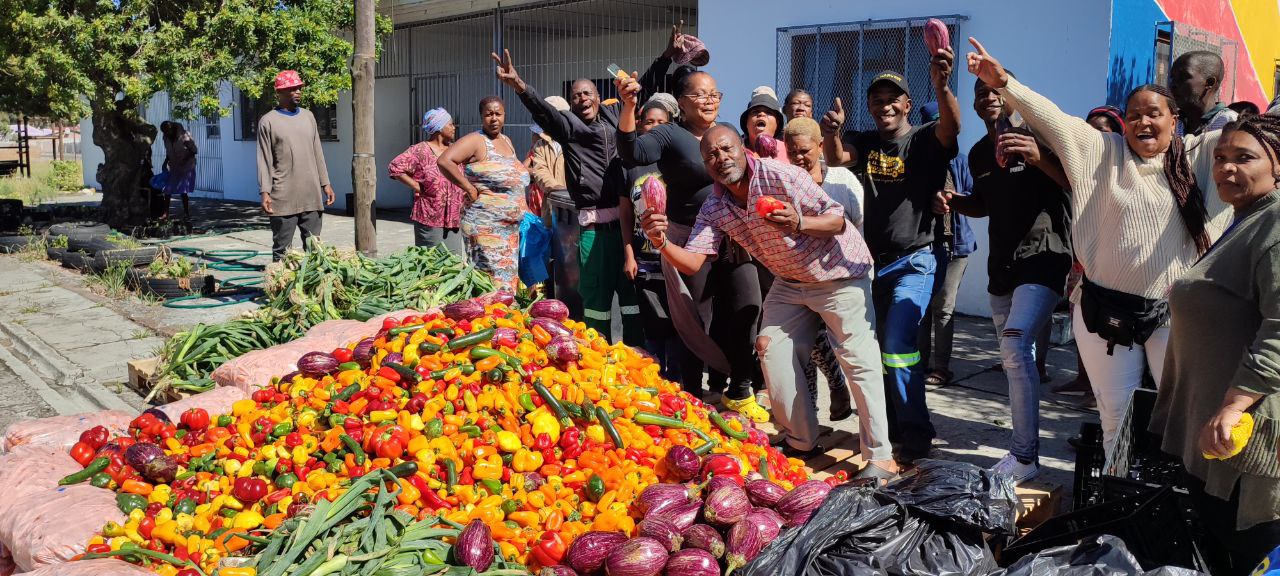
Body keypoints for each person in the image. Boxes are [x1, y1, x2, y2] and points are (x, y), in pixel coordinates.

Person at [966, 37, 1231, 457]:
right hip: (1104, 314)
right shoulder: (1103, 151)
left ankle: (1181, 508)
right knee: (1115, 417)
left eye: (1154, 114)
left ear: (1175, 119)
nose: (1143, 122)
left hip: (1172, 316)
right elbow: (1054, 119)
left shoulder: (1202, 156)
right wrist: (1003, 84)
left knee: (1183, 416)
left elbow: (1260, 144)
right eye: (1134, 116)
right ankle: (1118, 502)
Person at [640, 125, 898, 483]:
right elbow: (695, 262)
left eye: (727, 149)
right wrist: (661, 241)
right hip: (790, 282)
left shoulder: (782, 175)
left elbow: (838, 219)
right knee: (770, 346)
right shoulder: (715, 205)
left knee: (857, 359)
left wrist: (799, 221)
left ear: (743, 148)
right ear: (705, 164)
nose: (721, 158)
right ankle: (802, 440)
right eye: (711, 155)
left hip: (838, 274)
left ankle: (881, 457)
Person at [1150, 113, 1280, 574]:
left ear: (1277, 165)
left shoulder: (1276, 223)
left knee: (1249, 551)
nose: (1227, 168)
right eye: (1220, 157)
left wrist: (1233, 406)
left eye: (1244, 158)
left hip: (1244, 435)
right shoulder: (1244, 219)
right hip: (1214, 432)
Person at [821, 48, 961, 463]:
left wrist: (942, 86)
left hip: (916, 259)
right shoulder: (864, 141)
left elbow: (952, 128)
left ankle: (917, 432)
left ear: (905, 103)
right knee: (876, 349)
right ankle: (895, 424)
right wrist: (832, 130)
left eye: (892, 99)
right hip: (871, 263)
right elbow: (835, 159)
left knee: (899, 344)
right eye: (876, 101)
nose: (884, 106)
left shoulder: (923, 138)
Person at [933, 74, 1072, 484]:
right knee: (1015, 363)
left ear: (1012, 97)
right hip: (1002, 267)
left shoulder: (1042, 137)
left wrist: (1037, 156)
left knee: (1015, 344)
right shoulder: (980, 153)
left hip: (1045, 257)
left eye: (996, 91)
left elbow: (1076, 183)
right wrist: (954, 202)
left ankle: (1025, 457)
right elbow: (983, 205)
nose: (988, 98)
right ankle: (1021, 445)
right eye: (980, 94)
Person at [617, 69, 769, 420]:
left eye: (715, 94)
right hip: (689, 239)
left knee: (747, 304)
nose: (709, 100)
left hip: (734, 235)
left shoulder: (724, 132)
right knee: (698, 318)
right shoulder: (670, 134)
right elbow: (633, 153)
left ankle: (741, 388)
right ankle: (692, 395)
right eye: (701, 95)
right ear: (681, 103)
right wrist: (628, 106)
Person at [493, 50, 646, 346]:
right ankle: (597, 352)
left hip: (628, 230)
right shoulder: (568, 127)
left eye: (587, 93)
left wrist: (666, 57)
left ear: (598, 97)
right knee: (595, 299)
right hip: (593, 233)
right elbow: (542, 110)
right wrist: (519, 85)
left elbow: (642, 91)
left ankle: (636, 355)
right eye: (576, 96)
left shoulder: (616, 115)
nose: (582, 99)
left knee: (631, 299)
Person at [782, 116, 862, 421]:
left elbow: (858, 227)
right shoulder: (784, 180)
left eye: (805, 151)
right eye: (792, 153)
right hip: (801, 273)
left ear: (820, 146)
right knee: (803, 344)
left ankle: (842, 389)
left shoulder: (842, 181)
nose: (799, 158)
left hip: (843, 276)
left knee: (850, 353)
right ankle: (810, 416)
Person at [913, 102, 977, 387]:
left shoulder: (962, 161)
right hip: (925, 244)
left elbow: (975, 196)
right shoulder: (919, 161)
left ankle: (942, 367)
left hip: (957, 246)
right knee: (923, 307)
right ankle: (920, 363)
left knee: (943, 308)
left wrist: (953, 197)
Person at [437, 96, 529, 290]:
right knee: (492, 282)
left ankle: (502, 318)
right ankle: (489, 318)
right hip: (486, 227)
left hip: (509, 229)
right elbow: (445, 161)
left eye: (498, 113)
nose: (494, 118)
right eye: (488, 114)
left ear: (504, 115)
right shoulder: (476, 140)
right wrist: (468, 188)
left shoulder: (506, 140)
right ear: (481, 116)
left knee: (507, 281)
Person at [624, 93, 685, 381]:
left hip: (675, 255)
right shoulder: (631, 165)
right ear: (640, 125)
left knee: (677, 321)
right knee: (652, 323)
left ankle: (677, 381)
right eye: (649, 122)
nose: (655, 126)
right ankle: (654, 379)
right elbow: (625, 213)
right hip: (645, 259)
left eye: (662, 122)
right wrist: (629, 254)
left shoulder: (678, 161)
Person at [256, 69, 335, 261]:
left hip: (311, 194)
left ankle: (312, 289)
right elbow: (264, 160)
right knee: (282, 252)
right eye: (292, 89)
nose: (297, 92)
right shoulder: (268, 121)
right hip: (282, 198)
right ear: (279, 93)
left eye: (299, 88)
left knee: (315, 249)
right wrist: (265, 192)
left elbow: (318, 152)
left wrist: (326, 183)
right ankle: (281, 290)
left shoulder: (308, 117)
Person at [388, 108, 465, 253]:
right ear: (439, 127)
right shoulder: (420, 150)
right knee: (431, 262)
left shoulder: (456, 150)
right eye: (450, 124)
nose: (454, 128)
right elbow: (395, 167)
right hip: (430, 215)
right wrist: (416, 186)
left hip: (454, 217)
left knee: (455, 263)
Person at [1170, 50, 1238, 136]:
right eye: (1172, 78)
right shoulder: (1172, 122)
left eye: (1183, 77)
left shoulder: (1229, 123)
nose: (1173, 84)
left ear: (1209, 83)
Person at [526, 96, 570, 219]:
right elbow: (540, 170)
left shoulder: (575, 141)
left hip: (573, 207)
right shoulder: (541, 144)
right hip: (550, 206)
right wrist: (556, 188)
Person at [161, 121, 197, 222]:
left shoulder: (185, 135)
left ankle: (186, 213)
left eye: (167, 132)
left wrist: (184, 160)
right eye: (164, 132)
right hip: (174, 166)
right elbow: (169, 152)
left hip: (187, 166)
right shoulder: (165, 137)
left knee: (183, 189)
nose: (166, 134)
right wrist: (165, 162)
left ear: (172, 129)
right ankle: (166, 213)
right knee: (167, 189)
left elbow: (194, 151)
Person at [741, 86, 787, 161]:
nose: (761, 114)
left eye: (769, 112)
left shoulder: (790, 152)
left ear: (777, 123)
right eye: (755, 112)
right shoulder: (735, 150)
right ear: (746, 122)